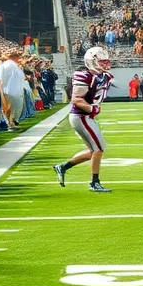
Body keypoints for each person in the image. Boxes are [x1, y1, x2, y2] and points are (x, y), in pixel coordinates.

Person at [53, 47, 114, 193]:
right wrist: (92, 109)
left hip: (86, 117)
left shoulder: (101, 76)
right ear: (92, 61)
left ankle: (62, 167)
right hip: (81, 116)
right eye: (102, 61)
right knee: (99, 148)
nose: (105, 64)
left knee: (94, 150)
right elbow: (76, 99)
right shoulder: (84, 75)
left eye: (106, 61)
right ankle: (94, 182)